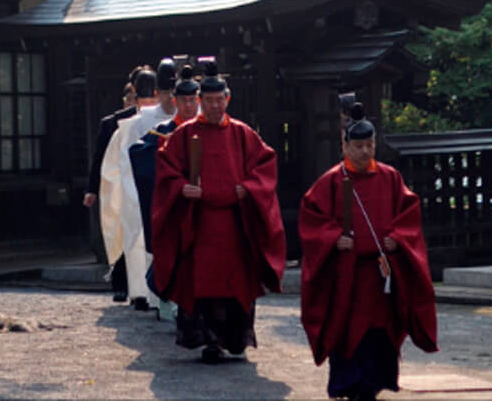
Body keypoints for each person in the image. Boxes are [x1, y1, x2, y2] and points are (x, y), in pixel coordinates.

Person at [299, 103, 438, 401]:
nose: (365, 152)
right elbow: (311, 218)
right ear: (345, 146)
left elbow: (409, 215)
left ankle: (375, 383)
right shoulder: (331, 181)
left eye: (370, 145)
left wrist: (398, 238)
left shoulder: (390, 177)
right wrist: (333, 238)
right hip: (347, 274)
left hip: (380, 273)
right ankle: (351, 384)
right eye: (359, 146)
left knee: (380, 329)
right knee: (348, 328)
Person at [152, 60, 286, 363]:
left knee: (235, 280)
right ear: (200, 101)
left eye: (219, 100)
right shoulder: (185, 134)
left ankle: (235, 339)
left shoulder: (242, 133)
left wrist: (249, 188)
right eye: (209, 101)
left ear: (228, 99)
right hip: (199, 221)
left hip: (234, 221)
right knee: (202, 281)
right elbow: (166, 167)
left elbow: (265, 165)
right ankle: (209, 341)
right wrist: (181, 187)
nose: (214, 106)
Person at [128, 63, 200, 319]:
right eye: (184, 101)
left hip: (206, 203)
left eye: (193, 100)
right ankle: (168, 302)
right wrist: (164, 153)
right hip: (174, 205)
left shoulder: (210, 129)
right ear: (175, 101)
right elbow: (138, 154)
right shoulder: (163, 132)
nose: (189, 106)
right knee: (173, 253)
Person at [98, 66, 165, 310]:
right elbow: (112, 166)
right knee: (136, 242)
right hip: (134, 190)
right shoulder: (126, 126)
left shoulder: (169, 120)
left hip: (155, 188)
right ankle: (139, 291)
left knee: (154, 241)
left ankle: (155, 293)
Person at [84, 65, 148, 302]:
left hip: (144, 183)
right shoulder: (114, 122)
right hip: (120, 185)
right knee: (122, 233)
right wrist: (92, 189)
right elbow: (100, 158)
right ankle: (121, 283)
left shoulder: (155, 118)